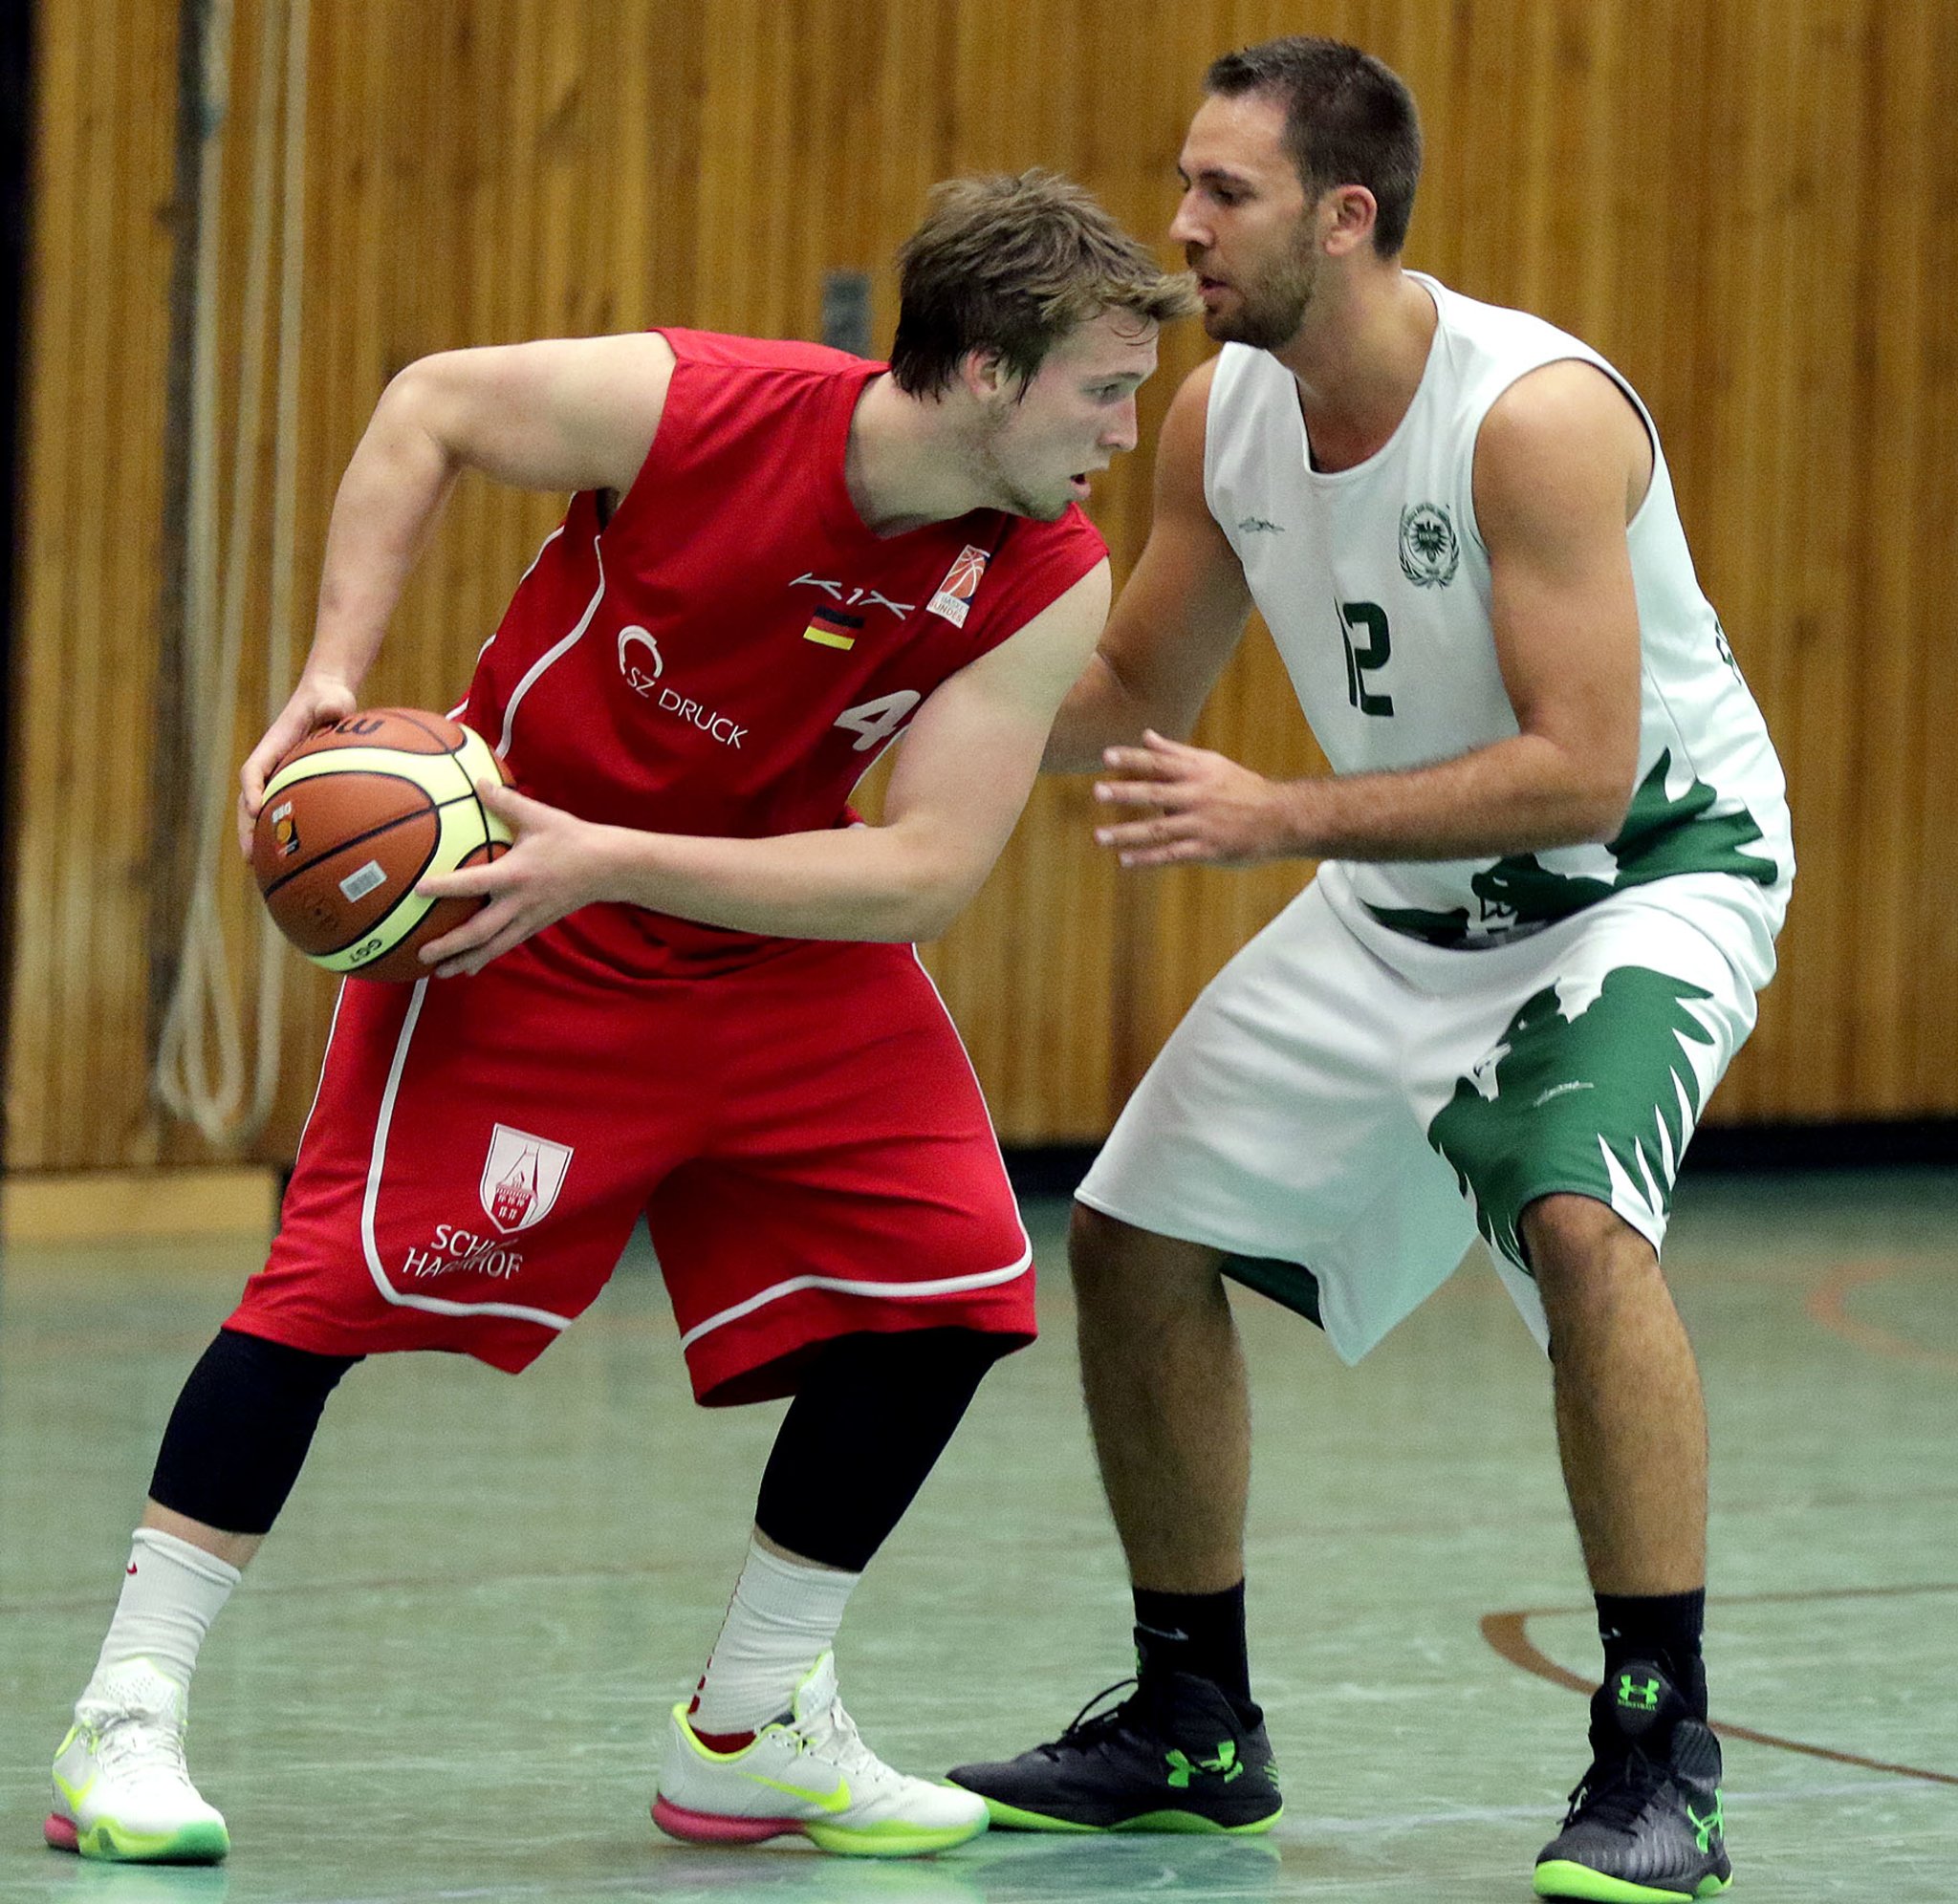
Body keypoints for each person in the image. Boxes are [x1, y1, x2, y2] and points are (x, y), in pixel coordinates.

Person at [46, 169, 1197, 1866]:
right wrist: (329, 669)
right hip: (516, 917)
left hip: (766, 935)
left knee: (956, 1292)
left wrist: (625, 861)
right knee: (319, 1303)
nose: (1126, 424)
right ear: (980, 372)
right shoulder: (703, 408)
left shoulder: (1045, 570)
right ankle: (122, 1716)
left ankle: (754, 1719)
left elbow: (921, 878)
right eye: (1103, 386)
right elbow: (426, 406)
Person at [946, 39, 1791, 1904]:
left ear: (1347, 215)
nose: (1179, 228)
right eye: (1182, 184)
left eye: (1221, 193)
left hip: (1634, 877)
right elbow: (1130, 698)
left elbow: (1576, 761)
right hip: (1398, 900)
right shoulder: (1218, 417)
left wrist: (1280, 817)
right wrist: (892, 686)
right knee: (1131, 1235)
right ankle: (1192, 1722)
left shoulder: (1529, 415)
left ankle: (1662, 1752)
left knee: (1574, 1219)